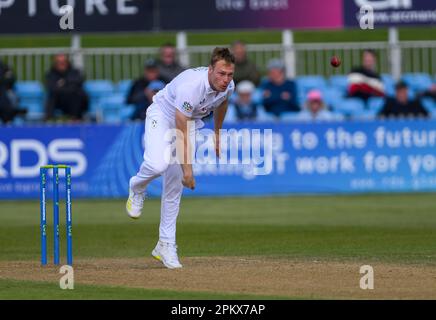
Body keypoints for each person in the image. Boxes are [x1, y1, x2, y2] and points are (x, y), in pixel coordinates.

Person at [126, 48, 235, 269]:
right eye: (221, 73)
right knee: (158, 164)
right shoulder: (191, 87)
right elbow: (181, 132)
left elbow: (222, 103)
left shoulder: (228, 86)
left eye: (229, 74)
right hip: (164, 114)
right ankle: (137, 187)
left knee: (174, 186)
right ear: (210, 69)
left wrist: (217, 133)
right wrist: (188, 170)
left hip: (191, 121)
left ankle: (166, 244)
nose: (226, 80)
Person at [45, 54, 89, 121]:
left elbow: (78, 84)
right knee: (51, 95)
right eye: (59, 62)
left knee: (78, 94)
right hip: (59, 101)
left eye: (63, 62)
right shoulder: (51, 74)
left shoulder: (75, 72)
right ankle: (49, 119)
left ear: (67, 62)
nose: (61, 64)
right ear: (55, 63)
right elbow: (51, 87)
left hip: (73, 100)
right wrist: (68, 84)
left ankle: (76, 119)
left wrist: (62, 84)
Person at [0, 60, 27, 124]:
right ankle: (11, 112)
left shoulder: (3, 66)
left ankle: (10, 113)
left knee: (9, 94)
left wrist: (3, 80)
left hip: (4, 90)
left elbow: (11, 78)